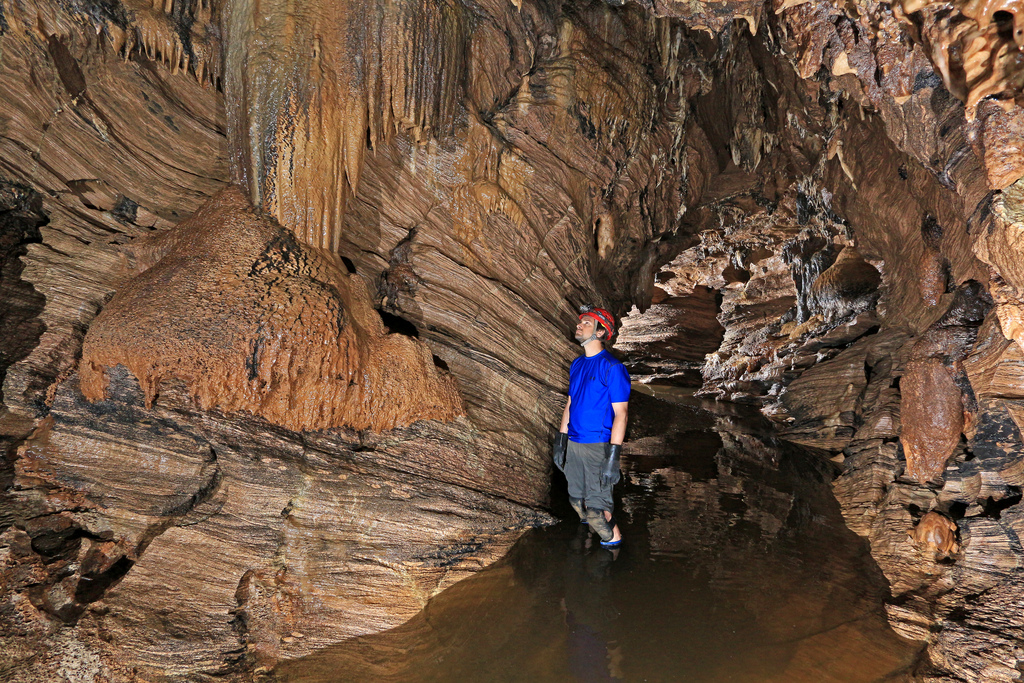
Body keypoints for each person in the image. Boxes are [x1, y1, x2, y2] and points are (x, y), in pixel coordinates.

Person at [553, 304, 630, 547]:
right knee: (577, 502)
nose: (580, 325)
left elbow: (622, 414)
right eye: (581, 321)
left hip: (597, 445)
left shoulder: (613, 367)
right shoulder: (576, 365)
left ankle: (614, 551)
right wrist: (560, 441)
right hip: (574, 443)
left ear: (599, 332)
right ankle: (588, 543)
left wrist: (613, 457)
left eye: (587, 322)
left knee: (597, 514)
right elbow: (570, 403)